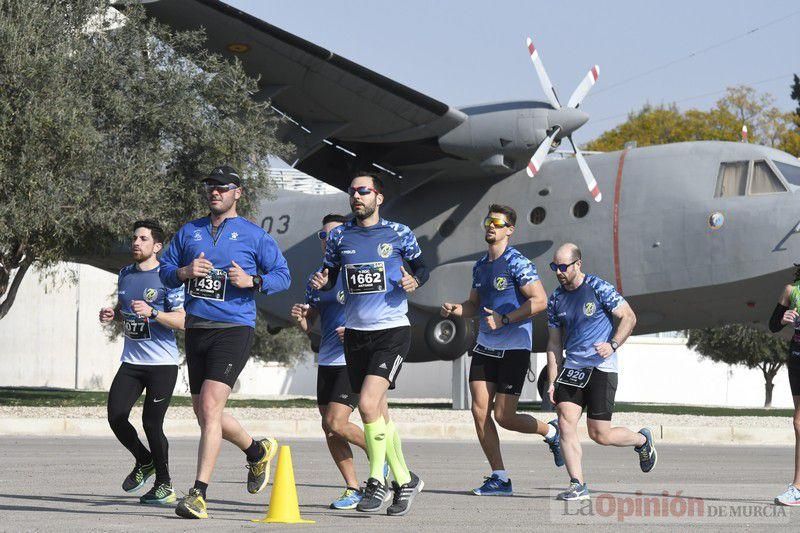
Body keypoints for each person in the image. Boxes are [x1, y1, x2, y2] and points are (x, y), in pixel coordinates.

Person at [159, 165, 291, 519]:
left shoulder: (253, 235)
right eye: (210, 187)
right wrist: (184, 273)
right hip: (197, 327)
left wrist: (252, 280)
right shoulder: (190, 232)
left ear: (238, 193)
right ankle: (255, 450)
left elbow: (282, 276)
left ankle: (199, 494)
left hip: (234, 328)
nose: (214, 192)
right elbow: (165, 269)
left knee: (213, 406)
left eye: (222, 187)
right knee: (204, 412)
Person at [310, 170, 429, 516]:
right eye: (352, 192)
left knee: (366, 404)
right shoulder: (339, 237)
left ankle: (376, 480)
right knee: (378, 412)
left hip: (392, 330)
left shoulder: (398, 233)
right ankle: (405, 480)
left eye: (363, 191)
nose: (356, 196)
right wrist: (322, 280)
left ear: (378, 197)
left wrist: (414, 281)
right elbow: (331, 274)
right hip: (357, 333)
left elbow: (422, 266)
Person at [441, 205, 562, 497]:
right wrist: (458, 309)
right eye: (488, 221)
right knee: (479, 411)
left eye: (498, 223)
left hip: (514, 348)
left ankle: (551, 432)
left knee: (504, 416)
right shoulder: (480, 266)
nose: (490, 226)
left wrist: (505, 319)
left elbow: (540, 301)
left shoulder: (518, 263)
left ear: (510, 229)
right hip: (485, 347)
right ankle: (500, 477)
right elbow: (473, 305)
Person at [545, 243, 656, 501]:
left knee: (600, 434)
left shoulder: (598, 288)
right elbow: (553, 343)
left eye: (563, 267)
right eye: (555, 267)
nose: (559, 272)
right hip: (572, 368)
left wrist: (613, 344)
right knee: (565, 422)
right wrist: (553, 381)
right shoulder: (555, 299)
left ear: (577, 264)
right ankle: (577, 484)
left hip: (601, 367)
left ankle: (641, 440)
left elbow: (628, 317)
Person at [99, 220, 185, 505]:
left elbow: (183, 320)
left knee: (151, 423)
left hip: (162, 364)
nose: (136, 243)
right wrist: (115, 315)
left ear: (157, 246)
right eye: (135, 238)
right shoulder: (125, 274)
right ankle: (144, 460)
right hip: (132, 362)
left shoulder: (168, 277)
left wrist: (154, 313)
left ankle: (165, 484)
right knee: (116, 416)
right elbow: (127, 311)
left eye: (144, 239)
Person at [290, 213, 371, 510]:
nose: (329, 241)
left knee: (336, 421)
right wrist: (302, 317)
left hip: (354, 357)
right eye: (324, 236)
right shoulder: (317, 277)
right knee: (329, 428)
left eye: (334, 234)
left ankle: (385, 460)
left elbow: (375, 310)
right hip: (327, 358)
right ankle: (353, 488)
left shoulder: (357, 271)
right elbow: (310, 324)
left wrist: (353, 329)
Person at [768, 266, 800, 506]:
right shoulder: (792, 291)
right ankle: (798, 488)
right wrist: (783, 318)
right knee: (798, 422)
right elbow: (773, 325)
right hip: (797, 357)